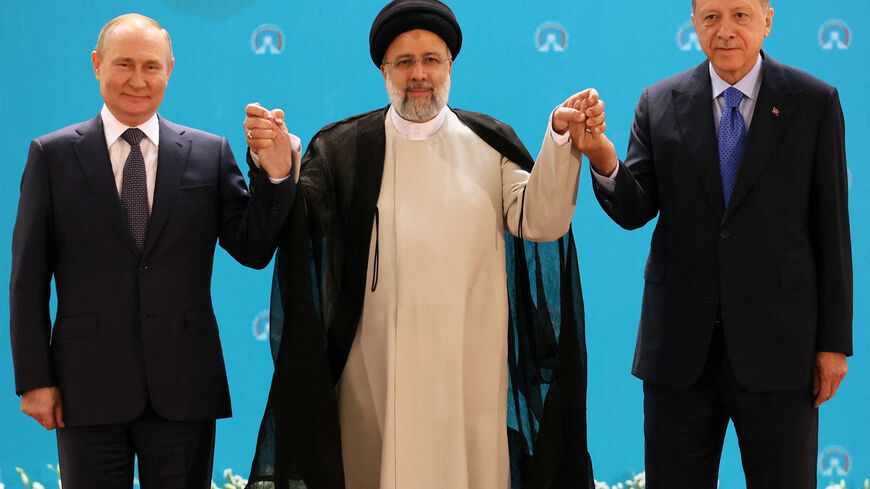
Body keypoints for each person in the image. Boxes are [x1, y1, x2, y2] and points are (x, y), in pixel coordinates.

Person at [240, 1, 612, 488]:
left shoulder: (488, 143)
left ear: (449, 65)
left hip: (469, 365)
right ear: (383, 70)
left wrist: (561, 139)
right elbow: (299, 227)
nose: (420, 75)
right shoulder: (342, 148)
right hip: (374, 370)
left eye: (431, 60)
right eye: (405, 62)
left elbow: (539, 219)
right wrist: (277, 165)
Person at [9, 13, 294, 489]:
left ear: (169, 69)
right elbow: (27, 279)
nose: (138, 80)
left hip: (185, 385)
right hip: (87, 386)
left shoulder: (209, 153)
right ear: (97, 65)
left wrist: (278, 175)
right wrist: (35, 379)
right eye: (124, 64)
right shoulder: (52, 155)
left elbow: (253, 248)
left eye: (151, 66)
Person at [586, 0, 852, 487]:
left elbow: (831, 227)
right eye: (711, 17)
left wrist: (833, 345)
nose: (725, 30)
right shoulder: (659, 101)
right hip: (679, 353)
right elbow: (634, 209)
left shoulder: (814, 101)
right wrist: (602, 158)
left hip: (780, 350)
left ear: (767, 20)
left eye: (740, 15)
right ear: (693, 24)